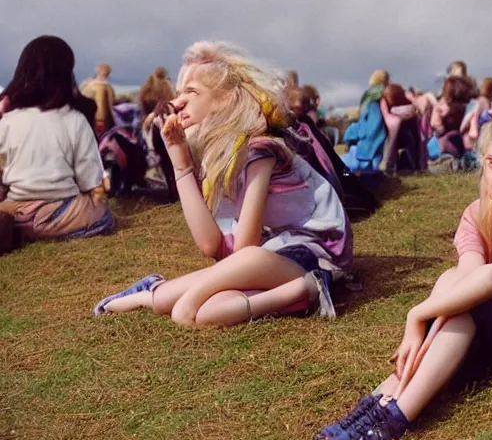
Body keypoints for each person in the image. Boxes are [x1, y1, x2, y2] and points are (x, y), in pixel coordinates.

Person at [312, 116, 492, 440]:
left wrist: (416, 315)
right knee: (454, 282)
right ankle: (392, 393)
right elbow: (468, 278)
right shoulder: (476, 215)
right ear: (483, 168)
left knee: (475, 297)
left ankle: (397, 410)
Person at [93, 41, 353, 326]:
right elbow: (211, 246)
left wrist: (192, 295)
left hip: (310, 255)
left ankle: (310, 285)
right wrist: (181, 166)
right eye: (180, 93)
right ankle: (155, 293)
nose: (178, 103)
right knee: (205, 312)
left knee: (185, 307)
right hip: (271, 257)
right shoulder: (219, 156)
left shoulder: (259, 151)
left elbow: (244, 252)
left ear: (225, 100)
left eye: (191, 92)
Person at [0, 35, 113, 243]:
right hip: (58, 213)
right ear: (66, 74)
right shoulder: (75, 120)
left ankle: (15, 229)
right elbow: (90, 179)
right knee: (103, 214)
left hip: (13, 208)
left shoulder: (8, 120)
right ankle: (32, 231)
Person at [81, 62, 115, 138]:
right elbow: (111, 105)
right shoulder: (108, 87)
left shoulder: (87, 85)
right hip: (103, 120)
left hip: (88, 120)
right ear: (108, 74)